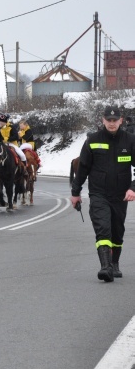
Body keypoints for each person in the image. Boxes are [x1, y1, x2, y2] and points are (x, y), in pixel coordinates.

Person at [71, 106, 135, 282]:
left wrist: (133, 188)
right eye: (109, 120)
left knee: (117, 231)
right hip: (98, 194)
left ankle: (114, 264)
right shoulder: (92, 140)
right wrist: (75, 192)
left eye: (115, 120)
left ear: (121, 120)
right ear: (103, 120)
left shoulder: (130, 140)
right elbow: (82, 168)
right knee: (103, 228)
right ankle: (105, 267)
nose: (112, 123)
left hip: (120, 195)